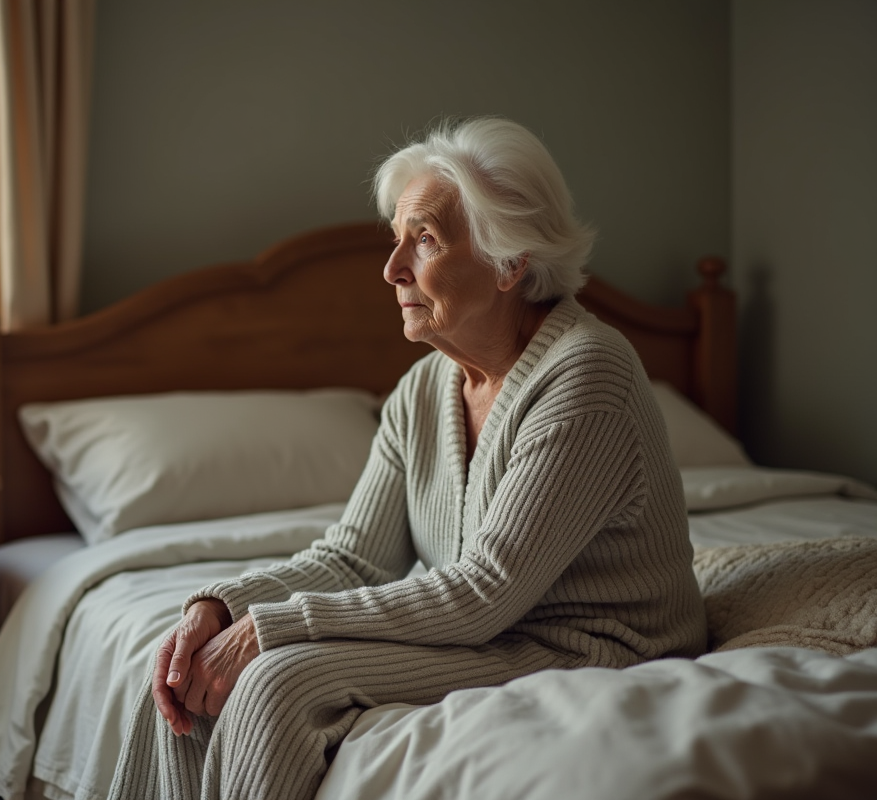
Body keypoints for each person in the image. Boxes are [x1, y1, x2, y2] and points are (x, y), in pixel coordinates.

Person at [109, 117, 707, 800]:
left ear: (510, 262)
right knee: (191, 668)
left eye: (423, 241)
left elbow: (485, 592)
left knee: (275, 678)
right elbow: (353, 560)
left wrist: (268, 630)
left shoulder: (587, 374)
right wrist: (220, 609)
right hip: (500, 635)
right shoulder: (425, 389)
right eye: (396, 240)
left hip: (598, 647)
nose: (391, 269)